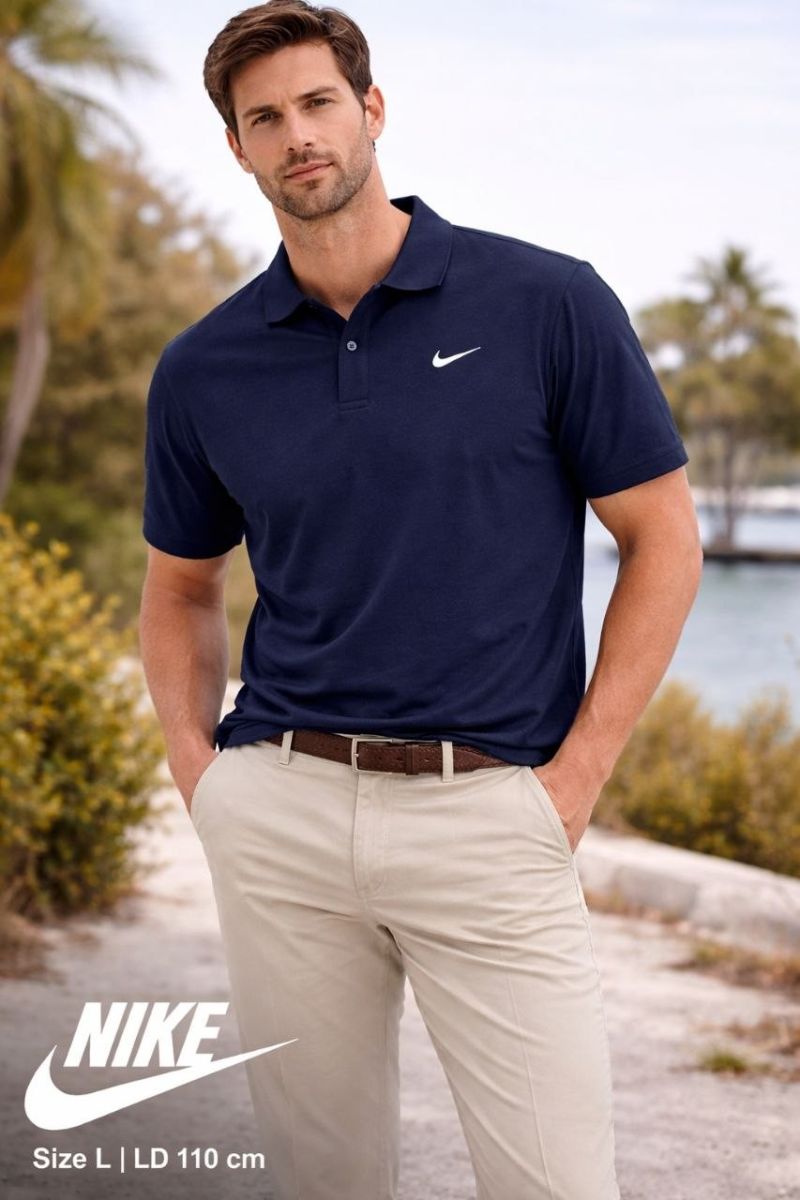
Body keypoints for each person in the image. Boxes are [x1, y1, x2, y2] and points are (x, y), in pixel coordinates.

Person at [138, 2, 703, 1197]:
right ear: (236, 148)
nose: (297, 135)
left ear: (371, 110)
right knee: (323, 1182)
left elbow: (660, 539)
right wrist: (203, 777)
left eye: (317, 103)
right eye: (264, 119)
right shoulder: (203, 367)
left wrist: (576, 777)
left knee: (555, 1183)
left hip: (490, 811)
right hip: (282, 813)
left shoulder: (544, 302)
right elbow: (181, 588)